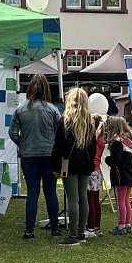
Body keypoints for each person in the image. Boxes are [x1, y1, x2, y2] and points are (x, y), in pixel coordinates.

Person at [8, 73, 61, 240]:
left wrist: (23, 144)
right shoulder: (52, 109)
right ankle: (55, 228)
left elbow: (12, 132)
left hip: (28, 155)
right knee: (50, 191)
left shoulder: (20, 109)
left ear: (29, 89)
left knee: (32, 192)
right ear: (46, 89)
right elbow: (60, 133)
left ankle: (29, 230)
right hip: (49, 154)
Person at [52, 88, 97, 246]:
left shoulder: (66, 119)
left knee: (73, 199)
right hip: (85, 163)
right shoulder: (89, 121)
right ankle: (80, 232)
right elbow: (93, 147)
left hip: (69, 163)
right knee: (83, 197)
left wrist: (56, 166)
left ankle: (72, 235)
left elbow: (59, 146)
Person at [103, 115, 132, 236]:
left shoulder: (117, 142)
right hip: (131, 172)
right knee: (126, 199)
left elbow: (116, 159)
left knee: (120, 200)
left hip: (121, 174)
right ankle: (127, 224)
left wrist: (108, 159)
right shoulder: (129, 140)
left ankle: (121, 225)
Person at [85, 115, 106, 238]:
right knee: (96, 200)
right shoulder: (101, 141)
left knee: (90, 200)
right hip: (97, 171)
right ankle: (97, 226)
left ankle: (90, 227)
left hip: (91, 170)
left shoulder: (93, 141)